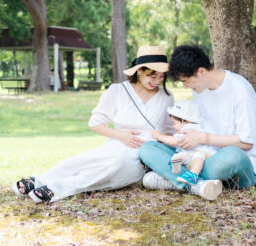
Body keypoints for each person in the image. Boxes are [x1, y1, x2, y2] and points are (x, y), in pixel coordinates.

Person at [12, 45, 175, 203]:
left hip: (143, 158)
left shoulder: (166, 97)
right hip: (116, 146)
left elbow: (168, 132)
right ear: (139, 70)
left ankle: (57, 189)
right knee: (84, 161)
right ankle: (38, 180)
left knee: (116, 165)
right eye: (153, 76)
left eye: (161, 77)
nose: (157, 81)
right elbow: (95, 123)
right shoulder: (118, 91)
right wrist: (122, 136)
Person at [139, 44, 256, 194]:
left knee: (232, 155)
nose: (185, 87)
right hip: (201, 156)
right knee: (148, 149)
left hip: (233, 163)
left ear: (201, 71)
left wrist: (202, 138)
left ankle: (175, 180)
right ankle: (197, 185)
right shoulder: (199, 90)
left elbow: (246, 143)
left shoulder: (241, 91)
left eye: (186, 81)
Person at [149, 99, 222, 200]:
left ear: (185, 121)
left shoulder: (189, 129)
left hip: (205, 158)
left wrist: (159, 136)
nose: (173, 127)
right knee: (182, 155)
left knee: (198, 156)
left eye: (174, 123)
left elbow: (175, 141)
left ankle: (193, 175)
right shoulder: (189, 127)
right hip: (190, 156)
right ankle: (176, 162)